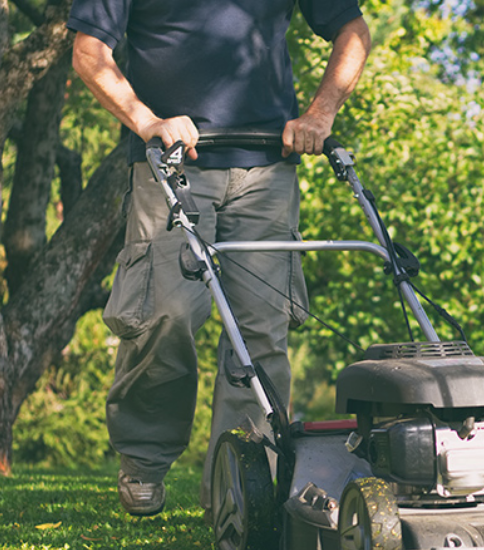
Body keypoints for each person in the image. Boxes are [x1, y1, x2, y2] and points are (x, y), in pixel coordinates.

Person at [68, 0, 371, 516]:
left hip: (268, 168)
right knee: (164, 314)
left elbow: (353, 30)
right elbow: (89, 52)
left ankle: (242, 489)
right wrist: (147, 121)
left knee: (261, 334)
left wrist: (320, 114)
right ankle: (143, 460)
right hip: (172, 163)